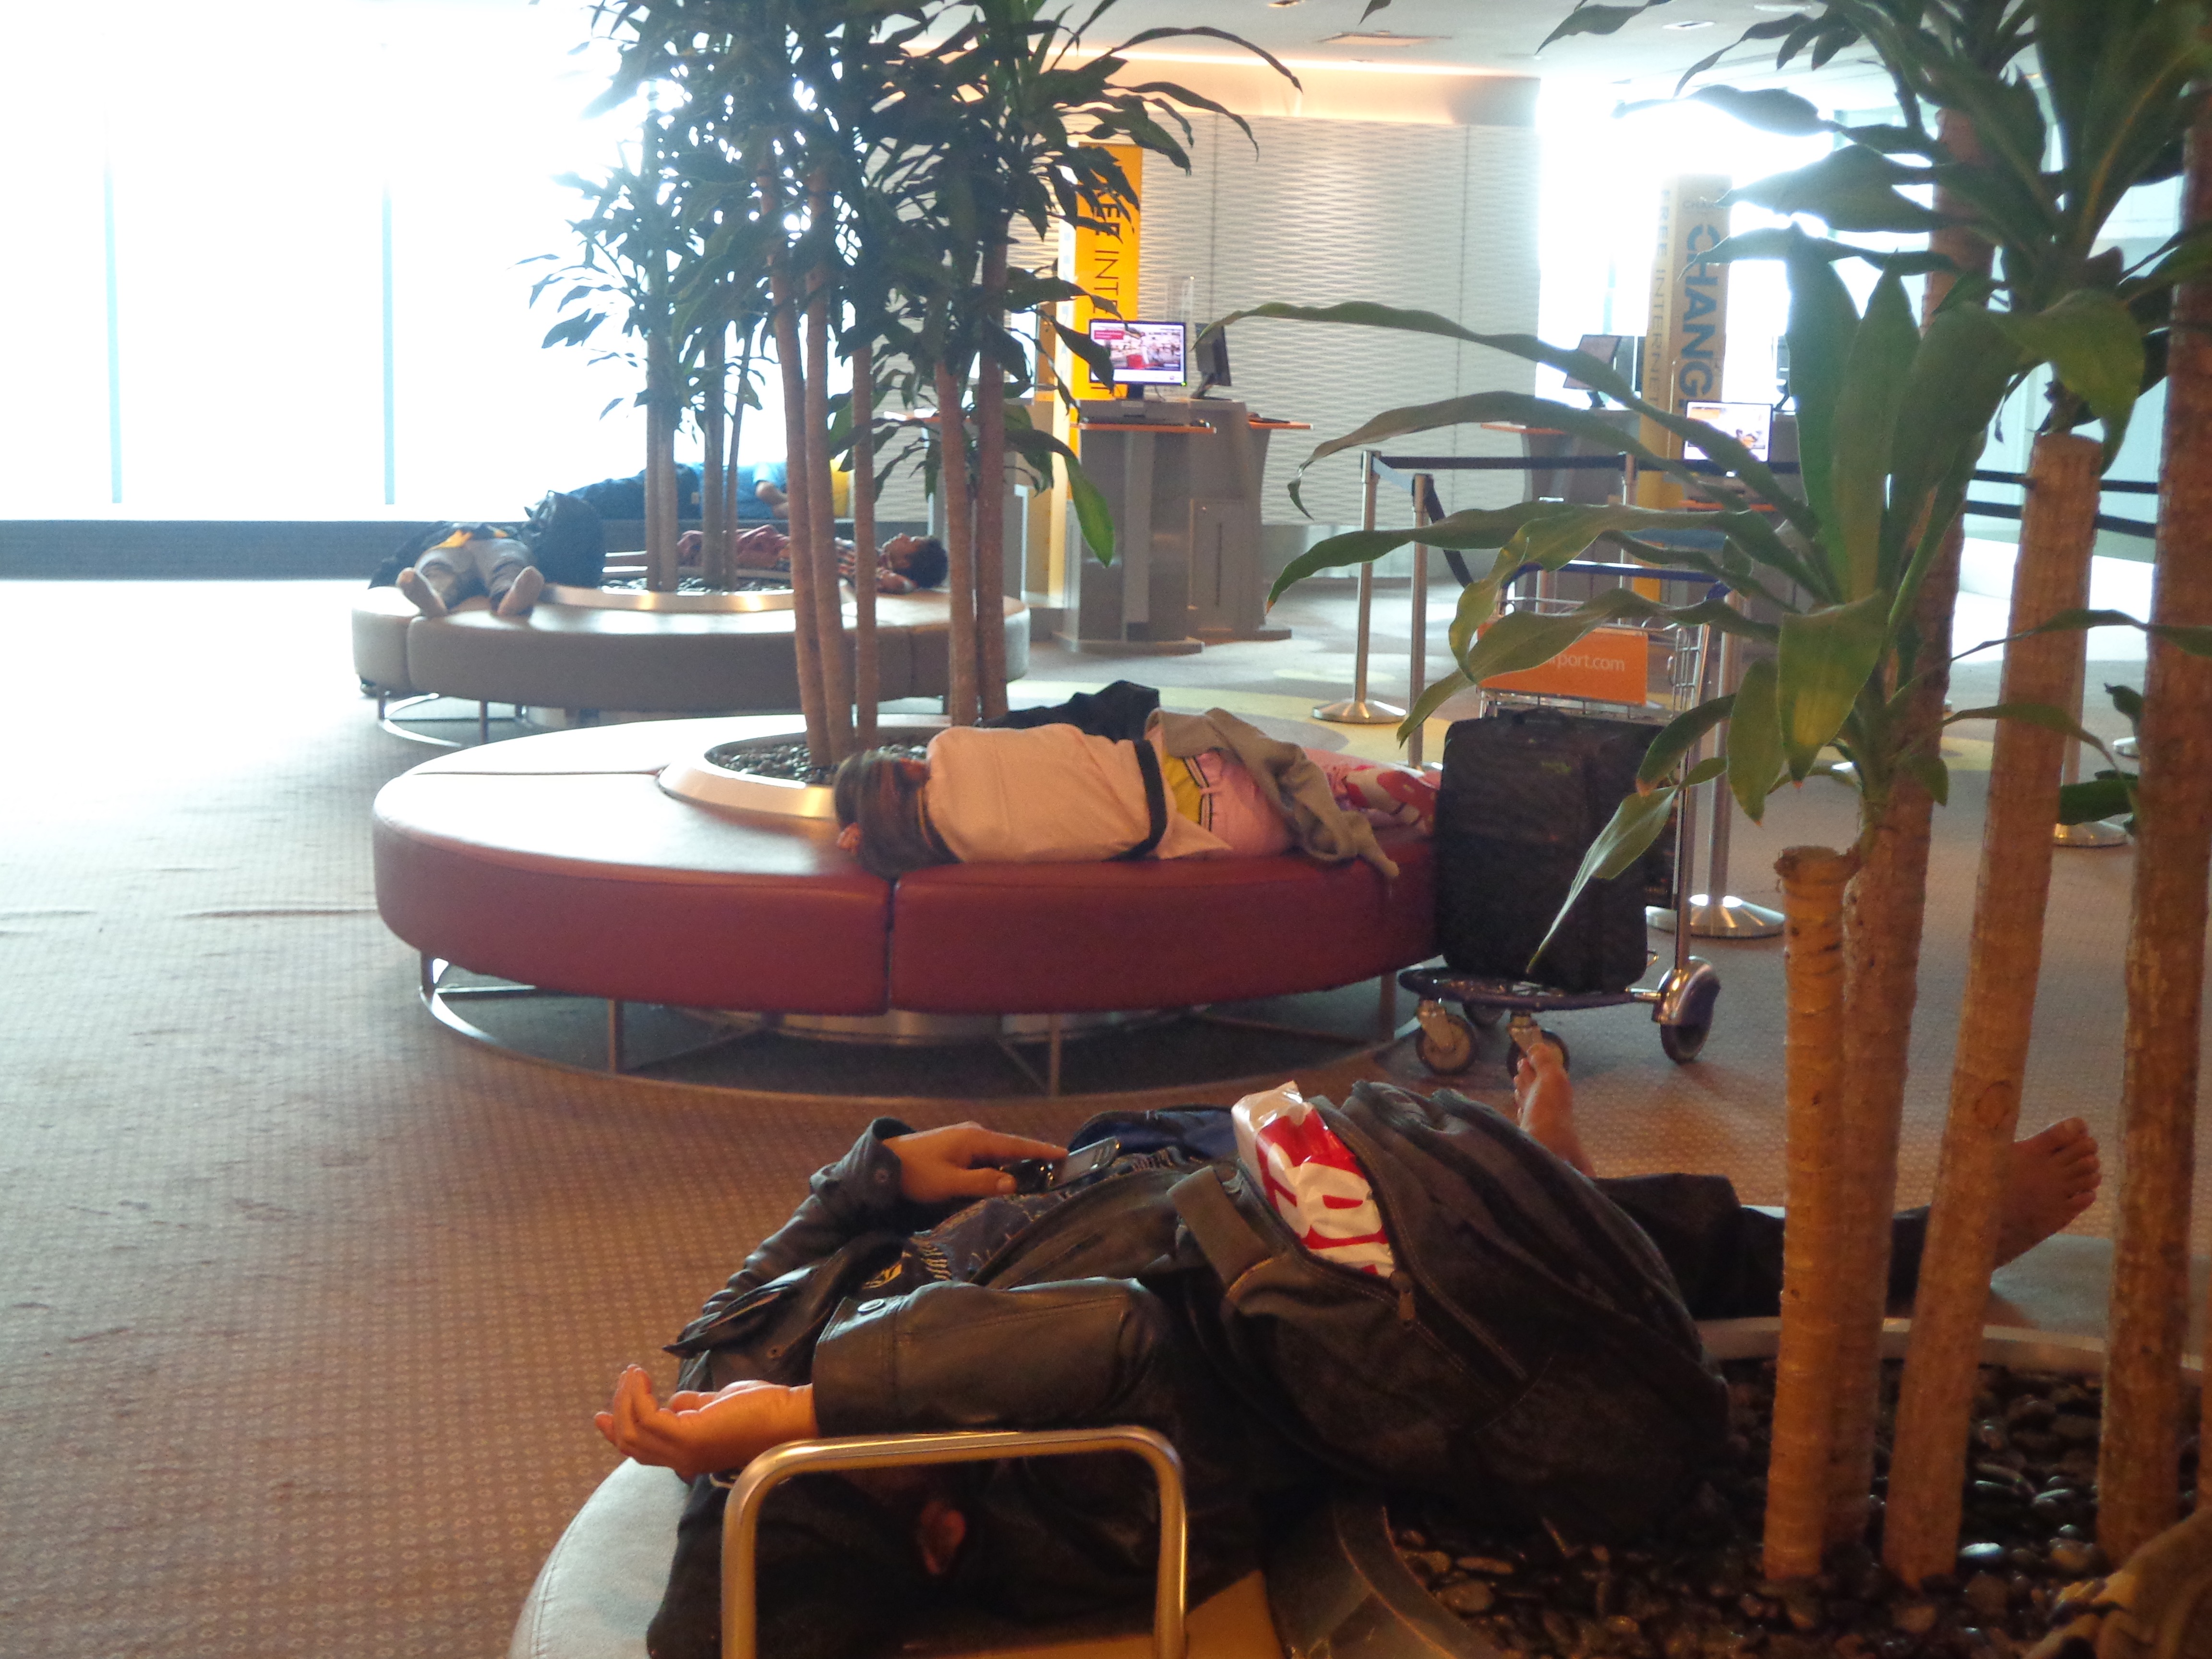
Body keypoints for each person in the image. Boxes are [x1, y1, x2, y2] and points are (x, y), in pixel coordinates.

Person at [597, 1050, 2102, 1659]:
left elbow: (766, 1284)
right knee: (1624, 1255)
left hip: (1151, 1181)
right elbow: (1125, 1344)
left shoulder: (733, 1449)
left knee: (1509, 1190)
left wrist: (876, 1176)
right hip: (1323, 1293)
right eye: (838, 1461)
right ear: (932, 1529)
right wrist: (826, 1403)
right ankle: (1926, 1251)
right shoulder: (1082, 1523)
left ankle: (1550, 1190)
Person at [830, 713, 1436, 882]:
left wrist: (869, 841)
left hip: (1213, 834)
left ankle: (1357, 810)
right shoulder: (954, 746)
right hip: (1186, 759)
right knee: (1295, 764)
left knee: (1305, 821)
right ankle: (1374, 783)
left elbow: (899, 851)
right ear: (906, 768)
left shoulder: (953, 851)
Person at [680, 524, 950, 594]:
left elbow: (897, 584)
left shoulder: (877, 571)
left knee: (699, 546)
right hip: (780, 543)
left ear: (905, 563)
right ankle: (650, 560)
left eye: (910, 541)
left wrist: (910, 583)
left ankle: (658, 562)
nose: (903, 534)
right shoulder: (875, 555)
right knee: (700, 539)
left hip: (774, 555)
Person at [394, 526, 544, 618]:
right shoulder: (438, 531)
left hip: (495, 543)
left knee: (509, 562)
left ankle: (513, 598)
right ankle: (431, 599)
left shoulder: (512, 534)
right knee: (437, 567)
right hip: (449, 547)